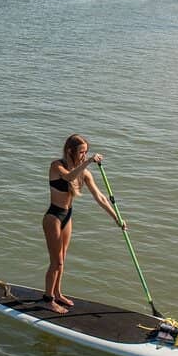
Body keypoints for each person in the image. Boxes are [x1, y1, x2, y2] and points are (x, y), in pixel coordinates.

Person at [41, 134, 126, 314]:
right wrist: (87, 163)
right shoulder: (56, 166)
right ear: (70, 151)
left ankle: (58, 293)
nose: (84, 156)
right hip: (53, 217)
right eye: (81, 152)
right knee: (56, 262)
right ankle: (48, 299)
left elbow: (100, 197)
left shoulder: (84, 173)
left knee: (62, 261)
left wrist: (116, 218)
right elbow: (68, 177)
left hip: (67, 217)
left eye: (86, 152)